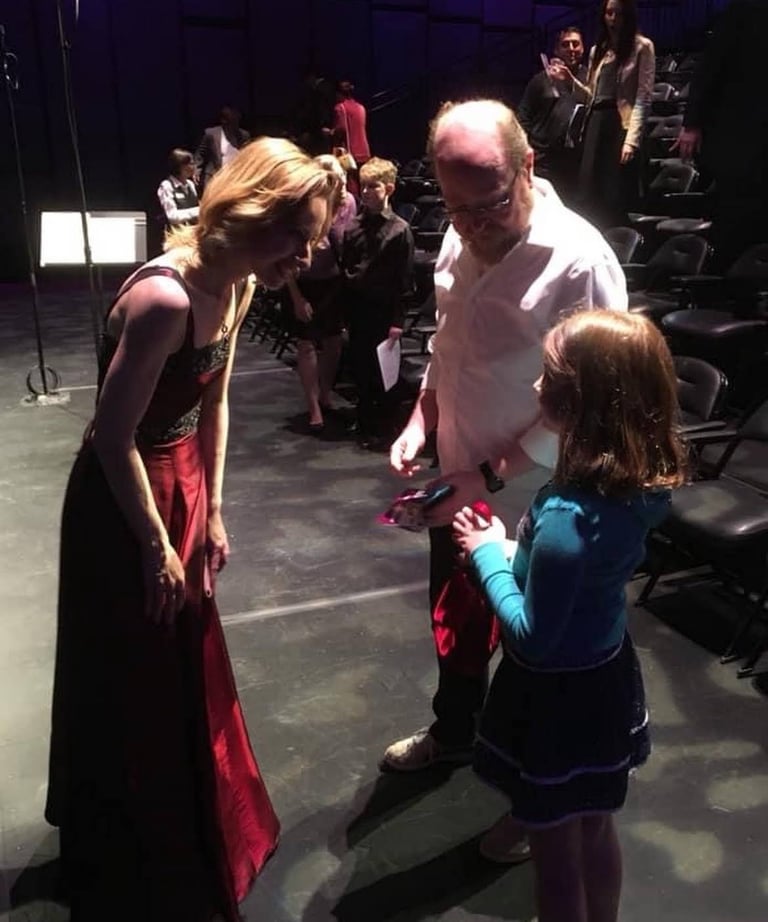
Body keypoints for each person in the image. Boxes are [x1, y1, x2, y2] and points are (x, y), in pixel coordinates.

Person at [45, 137, 338, 922]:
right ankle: (132, 839)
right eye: (295, 236)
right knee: (133, 660)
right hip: (123, 501)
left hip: (182, 487)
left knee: (181, 660)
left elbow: (214, 402)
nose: (304, 257)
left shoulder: (236, 288)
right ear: (249, 215)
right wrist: (153, 543)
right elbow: (111, 437)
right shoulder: (165, 299)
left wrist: (215, 511)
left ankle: (186, 819)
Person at [381, 100, 628, 819]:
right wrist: (419, 417)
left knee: (537, 658)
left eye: (485, 205)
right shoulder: (464, 237)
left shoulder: (581, 264)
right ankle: (455, 732)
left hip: (539, 501)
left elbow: (593, 411)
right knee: (456, 623)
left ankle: (538, 802)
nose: (469, 225)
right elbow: (449, 350)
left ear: (528, 166)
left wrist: (486, 476)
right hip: (458, 477)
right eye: (455, 208)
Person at [453, 309, 688, 922]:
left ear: (579, 399)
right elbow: (573, 582)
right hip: (604, 680)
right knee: (594, 827)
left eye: (548, 374)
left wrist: (487, 560)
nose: (535, 386)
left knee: (555, 848)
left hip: (557, 703)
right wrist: (513, 550)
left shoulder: (567, 516)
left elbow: (533, 640)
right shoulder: (635, 491)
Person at [672, 0, 768, 271]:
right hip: (741, 139)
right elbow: (709, 70)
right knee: (736, 221)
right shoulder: (744, 11)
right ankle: (727, 288)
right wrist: (692, 125)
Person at [341, 157, 414, 449]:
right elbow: (347, 268)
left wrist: (398, 321)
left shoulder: (400, 231)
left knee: (384, 373)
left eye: (374, 186)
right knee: (360, 366)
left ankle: (385, 427)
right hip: (358, 309)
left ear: (389, 189)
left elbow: (405, 280)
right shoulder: (353, 228)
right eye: (364, 186)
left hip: (384, 311)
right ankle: (365, 421)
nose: (366, 192)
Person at [285, 153, 358, 431]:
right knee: (306, 344)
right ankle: (313, 405)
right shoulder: (305, 204)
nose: (335, 181)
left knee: (333, 342)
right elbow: (291, 252)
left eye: (337, 176)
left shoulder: (348, 203)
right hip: (304, 282)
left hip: (334, 281)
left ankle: (326, 393)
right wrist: (296, 297)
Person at [575, 0, 655, 228]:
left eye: (618, 14)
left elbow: (643, 96)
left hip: (619, 123)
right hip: (596, 121)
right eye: (609, 13)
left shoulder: (642, 46)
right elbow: (592, 94)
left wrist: (632, 140)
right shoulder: (597, 50)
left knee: (614, 192)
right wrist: (569, 82)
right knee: (588, 190)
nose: (612, 18)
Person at [517, 26, 589, 205]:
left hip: (574, 163)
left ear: (583, 48)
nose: (571, 48)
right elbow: (523, 117)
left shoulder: (590, 78)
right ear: (556, 50)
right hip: (543, 161)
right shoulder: (540, 80)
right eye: (566, 44)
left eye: (576, 44)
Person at [194, 105, 251, 193]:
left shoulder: (244, 135)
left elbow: (248, 155)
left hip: (236, 177)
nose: (235, 124)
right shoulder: (211, 134)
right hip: (215, 175)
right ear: (224, 121)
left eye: (237, 121)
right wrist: (197, 169)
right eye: (232, 121)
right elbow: (200, 153)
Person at [157, 147, 200, 229]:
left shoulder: (191, 184)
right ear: (180, 166)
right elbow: (172, 216)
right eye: (191, 164)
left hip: (191, 233)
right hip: (175, 236)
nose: (194, 167)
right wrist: (198, 211)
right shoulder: (166, 186)